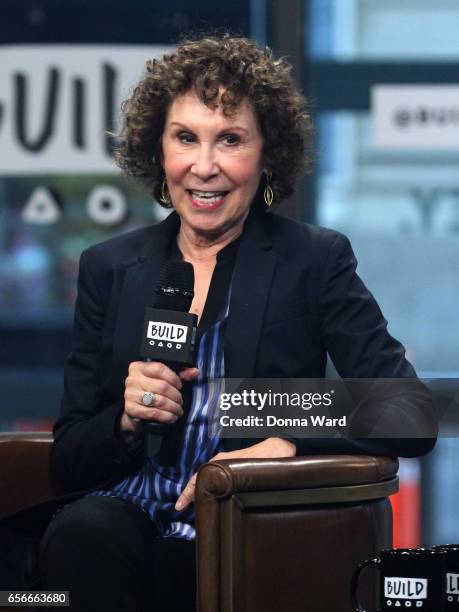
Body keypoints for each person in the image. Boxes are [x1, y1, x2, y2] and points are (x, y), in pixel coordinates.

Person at [36, 35, 435, 611]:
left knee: (188, 565)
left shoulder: (314, 261)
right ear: (158, 149)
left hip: (246, 517)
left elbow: (409, 410)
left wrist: (286, 440)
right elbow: (69, 455)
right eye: (185, 139)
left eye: (230, 139)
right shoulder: (109, 266)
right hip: (123, 516)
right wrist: (124, 420)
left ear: (266, 154)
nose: (205, 167)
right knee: (83, 536)